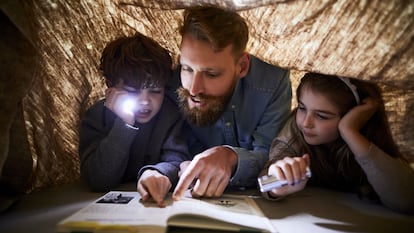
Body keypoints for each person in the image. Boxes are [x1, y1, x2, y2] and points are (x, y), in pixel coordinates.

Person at [170, 6, 292, 200]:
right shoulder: (170, 83)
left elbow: (272, 159)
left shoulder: (273, 83)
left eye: (211, 74)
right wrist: (179, 164)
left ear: (242, 66)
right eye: (187, 68)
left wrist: (230, 157)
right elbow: (167, 150)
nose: (193, 89)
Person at [260, 72, 414, 214]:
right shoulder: (294, 132)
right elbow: (265, 183)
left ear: (356, 117)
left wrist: (349, 131)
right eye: (302, 108)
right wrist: (276, 184)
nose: (306, 123)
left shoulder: (368, 137)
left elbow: (407, 200)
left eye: (322, 116)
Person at [78, 33, 190, 207]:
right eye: (132, 91)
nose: (145, 101)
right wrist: (124, 124)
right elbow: (98, 180)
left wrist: (157, 173)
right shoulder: (96, 116)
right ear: (110, 86)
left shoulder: (169, 115)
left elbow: (178, 161)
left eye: (155, 91)